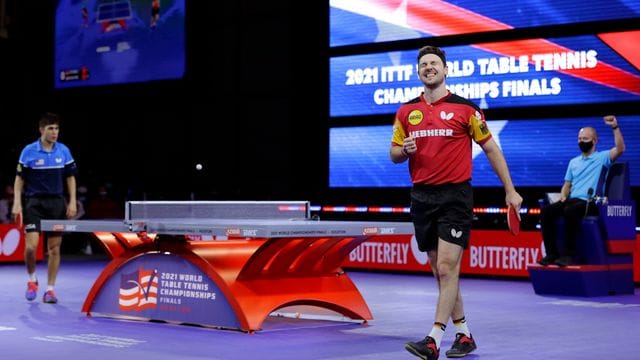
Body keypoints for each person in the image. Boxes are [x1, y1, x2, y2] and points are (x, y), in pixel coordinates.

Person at [390, 45, 523, 360]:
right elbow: (393, 154)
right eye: (423, 64)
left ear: (445, 70)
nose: (429, 68)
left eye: (434, 63)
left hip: (455, 196)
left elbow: (491, 149)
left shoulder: (467, 109)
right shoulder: (406, 111)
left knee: (448, 267)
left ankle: (434, 338)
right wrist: (403, 150)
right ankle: (463, 334)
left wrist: (510, 190)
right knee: (440, 271)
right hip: (422, 196)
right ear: (419, 72)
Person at [537, 116, 625, 267]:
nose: (581, 141)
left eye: (585, 138)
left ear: (594, 141)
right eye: (579, 138)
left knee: (570, 211)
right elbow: (567, 184)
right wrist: (563, 195)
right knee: (546, 212)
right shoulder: (573, 162)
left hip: (590, 202)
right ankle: (552, 254)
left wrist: (615, 128)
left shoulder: (602, 157)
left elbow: (620, 149)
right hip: (572, 200)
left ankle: (569, 255)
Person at [12, 112, 78, 304]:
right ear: (41, 130)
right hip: (35, 204)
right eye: (50, 128)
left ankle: (50, 290)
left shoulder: (63, 151)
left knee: (55, 249)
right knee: (31, 248)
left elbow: (70, 177)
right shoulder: (28, 151)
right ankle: (32, 280)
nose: (54, 132)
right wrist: (17, 203)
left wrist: (72, 201)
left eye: (56, 128)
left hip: (57, 204)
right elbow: (19, 179)